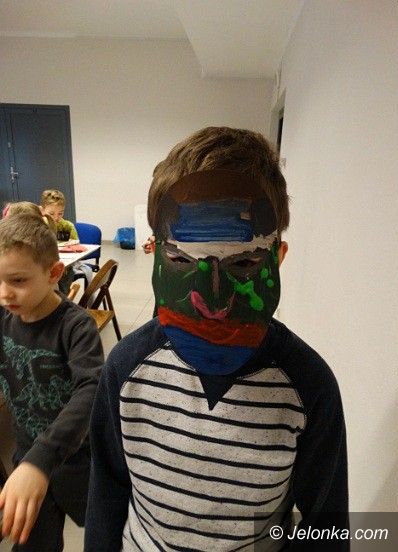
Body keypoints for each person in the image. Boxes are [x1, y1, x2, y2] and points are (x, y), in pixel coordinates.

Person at [85, 127, 349, 551]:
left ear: (278, 259)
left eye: (243, 264)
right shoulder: (125, 368)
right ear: (156, 254)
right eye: (180, 259)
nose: (212, 303)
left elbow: (326, 528)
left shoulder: (309, 386)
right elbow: (106, 493)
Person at [0, 214, 103, 551]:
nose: (4, 294)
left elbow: (91, 390)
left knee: (107, 534)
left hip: (77, 462)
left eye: (17, 280)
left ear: (54, 273)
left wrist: (41, 459)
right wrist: (32, 462)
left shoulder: (76, 327)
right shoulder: (4, 317)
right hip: (28, 456)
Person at [39, 190, 78, 295]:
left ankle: (61, 300)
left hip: (64, 268)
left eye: (60, 213)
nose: (56, 218)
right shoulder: (39, 226)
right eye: (51, 214)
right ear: (42, 211)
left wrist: (71, 245)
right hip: (44, 267)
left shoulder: (68, 226)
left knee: (60, 291)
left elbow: (77, 246)